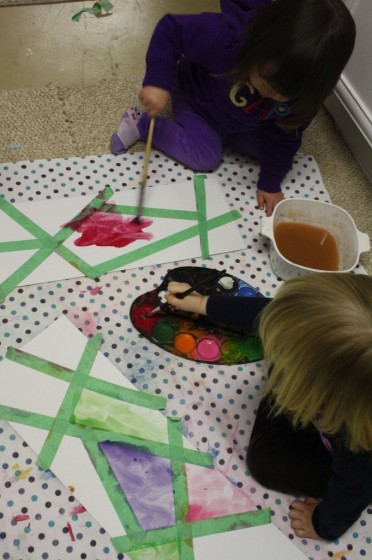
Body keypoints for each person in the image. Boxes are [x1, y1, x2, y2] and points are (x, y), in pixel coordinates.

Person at [164, 272, 372, 541]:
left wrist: (323, 526)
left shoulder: (359, 445)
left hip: (356, 459)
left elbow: (352, 490)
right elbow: (270, 314)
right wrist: (204, 303)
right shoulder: (340, 340)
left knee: (267, 463)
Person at [110, 0, 356, 216]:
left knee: (280, 158)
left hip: (247, 123)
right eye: (264, 77)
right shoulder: (225, 37)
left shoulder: (303, 94)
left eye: (283, 94)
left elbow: (286, 137)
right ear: (261, 42)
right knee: (205, 156)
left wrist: (270, 183)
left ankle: (228, 136)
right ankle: (140, 123)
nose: (269, 93)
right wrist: (158, 81)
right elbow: (170, 29)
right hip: (198, 97)